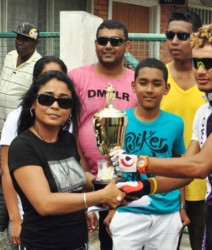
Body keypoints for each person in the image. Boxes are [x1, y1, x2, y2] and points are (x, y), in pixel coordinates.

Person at [111, 24, 212, 250]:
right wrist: (144, 187)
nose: (201, 71)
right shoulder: (204, 110)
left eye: (211, 63)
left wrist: (138, 162)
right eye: (197, 62)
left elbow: (200, 166)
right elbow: (185, 171)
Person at [7, 70, 125, 249]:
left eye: (64, 101)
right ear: (33, 103)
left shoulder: (67, 139)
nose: (55, 105)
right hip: (42, 244)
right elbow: (44, 203)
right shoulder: (23, 146)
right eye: (47, 99)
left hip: (78, 242)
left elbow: (74, 178)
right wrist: (99, 196)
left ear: (70, 109)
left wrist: (104, 181)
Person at [69, 19, 138, 250]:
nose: (108, 45)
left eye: (115, 41)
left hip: (124, 178)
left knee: (116, 239)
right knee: (78, 239)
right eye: (103, 40)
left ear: (126, 46)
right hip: (84, 177)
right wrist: (81, 171)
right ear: (95, 44)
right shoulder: (76, 78)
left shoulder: (137, 81)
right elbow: (69, 126)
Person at [105, 58, 186, 249]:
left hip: (167, 212)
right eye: (143, 83)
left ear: (166, 88)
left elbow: (179, 168)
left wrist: (182, 207)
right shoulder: (119, 119)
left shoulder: (176, 123)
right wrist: (111, 208)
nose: (149, 89)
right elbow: (111, 167)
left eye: (156, 84)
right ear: (133, 86)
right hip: (128, 210)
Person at [0, 56, 73, 249]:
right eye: (47, 77)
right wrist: (15, 219)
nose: (55, 104)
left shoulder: (64, 121)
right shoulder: (16, 119)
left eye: (58, 76)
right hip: (28, 218)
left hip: (66, 224)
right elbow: (7, 172)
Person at [160, 9, 206, 250]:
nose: (174, 41)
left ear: (196, 39)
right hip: (164, 183)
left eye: (182, 36)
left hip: (205, 184)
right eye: (170, 35)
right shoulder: (156, 79)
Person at [0, 22, 41, 131]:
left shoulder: (38, 64)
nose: (20, 43)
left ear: (35, 43)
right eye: (18, 38)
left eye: (25, 40)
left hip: (18, 125)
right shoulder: (10, 56)